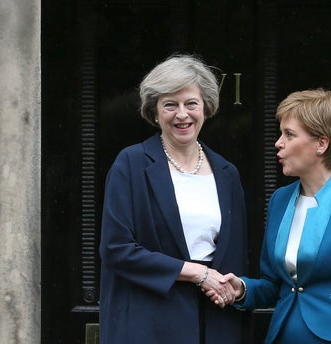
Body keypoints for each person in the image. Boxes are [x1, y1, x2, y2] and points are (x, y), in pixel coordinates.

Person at [217, 89, 331, 344]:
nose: (278, 142)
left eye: (289, 134)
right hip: (282, 336)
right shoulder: (280, 199)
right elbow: (274, 285)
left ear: (322, 143)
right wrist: (243, 289)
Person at [98, 54, 247, 344]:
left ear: (206, 107)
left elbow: (237, 258)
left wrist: (233, 290)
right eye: (170, 105)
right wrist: (196, 273)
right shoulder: (131, 164)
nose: (182, 114)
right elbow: (116, 249)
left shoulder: (227, 173)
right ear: (155, 112)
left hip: (214, 323)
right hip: (148, 321)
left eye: (191, 103)